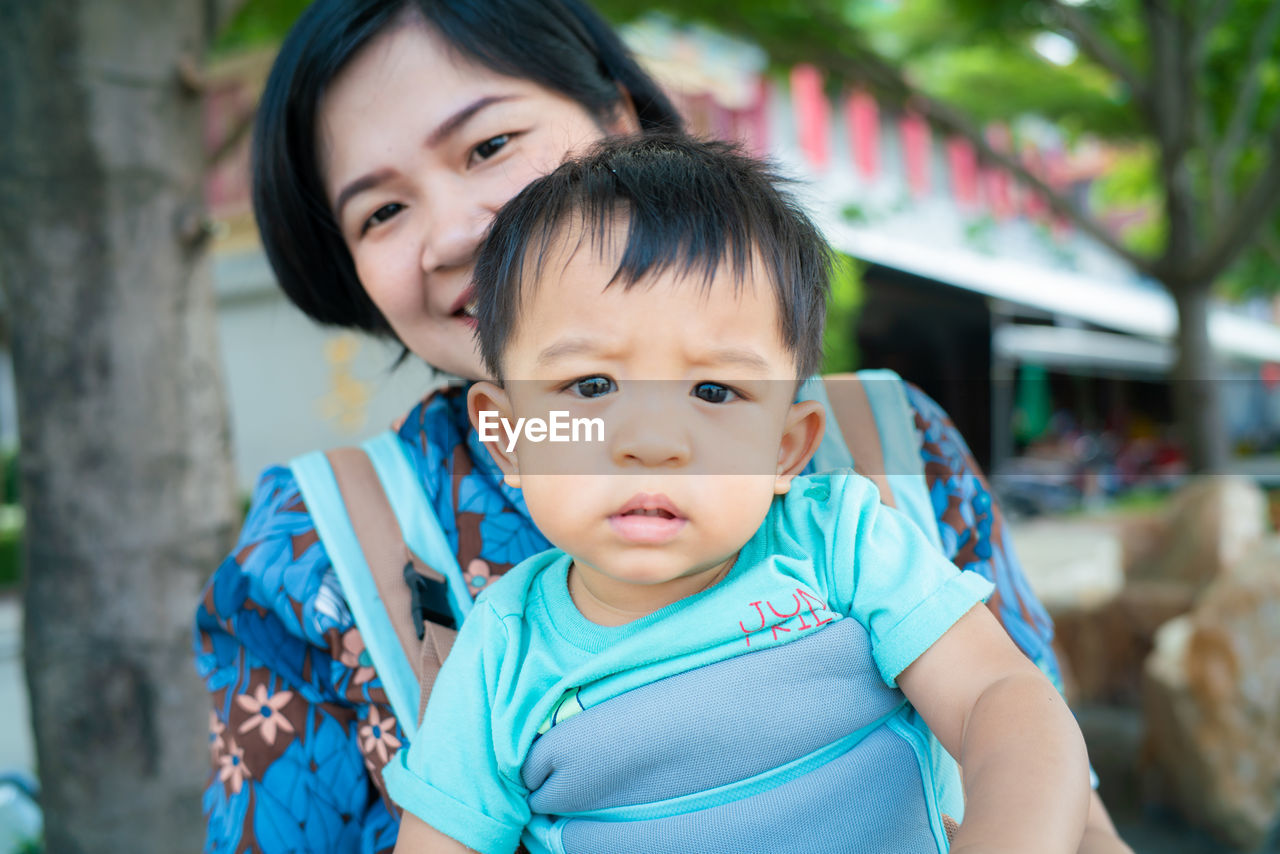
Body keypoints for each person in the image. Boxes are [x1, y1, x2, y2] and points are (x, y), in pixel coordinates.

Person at [193, 2, 1132, 852]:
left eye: (488, 146)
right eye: (383, 209)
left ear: (623, 119)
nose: (450, 235)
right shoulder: (317, 562)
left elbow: (1048, 767)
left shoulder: (879, 475)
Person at [386, 133, 1091, 854]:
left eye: (714, 390)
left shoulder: (839, 546)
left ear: (785, 448)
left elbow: (1000, 701)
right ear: (508, 437)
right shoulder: (503, 654)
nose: (654, 442)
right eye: (591, 385)